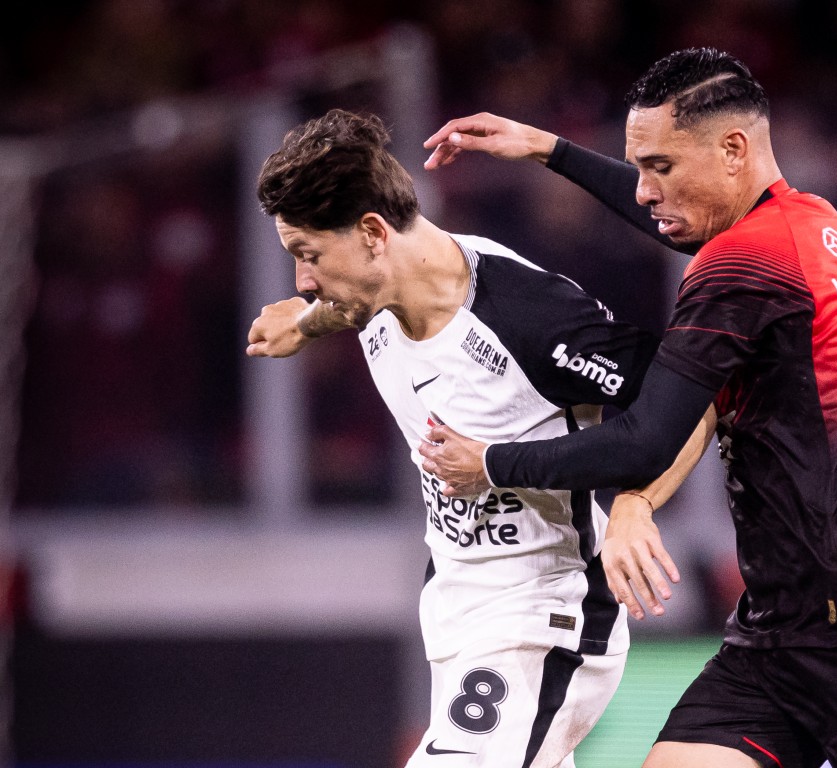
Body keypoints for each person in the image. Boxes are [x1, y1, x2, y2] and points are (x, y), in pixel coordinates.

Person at [419, 48, 837, 768]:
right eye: (641, 168)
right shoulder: (813, 223)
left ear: (733, 150)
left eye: (662, 168)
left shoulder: (740, 267)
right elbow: (676, 222)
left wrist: (489, 462)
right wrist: (549, 149)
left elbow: (644, 441)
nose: (647, 193)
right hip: (778, 629)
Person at [245, 108, 713, 768]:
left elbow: (693, 398)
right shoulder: (379, 291)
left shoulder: (529, 317)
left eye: (308, 256)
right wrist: (311, 319)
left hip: (545, 616)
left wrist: (637, 504)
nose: (302, 280)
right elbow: (369, 299)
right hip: (458, 616)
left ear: (374, 233)